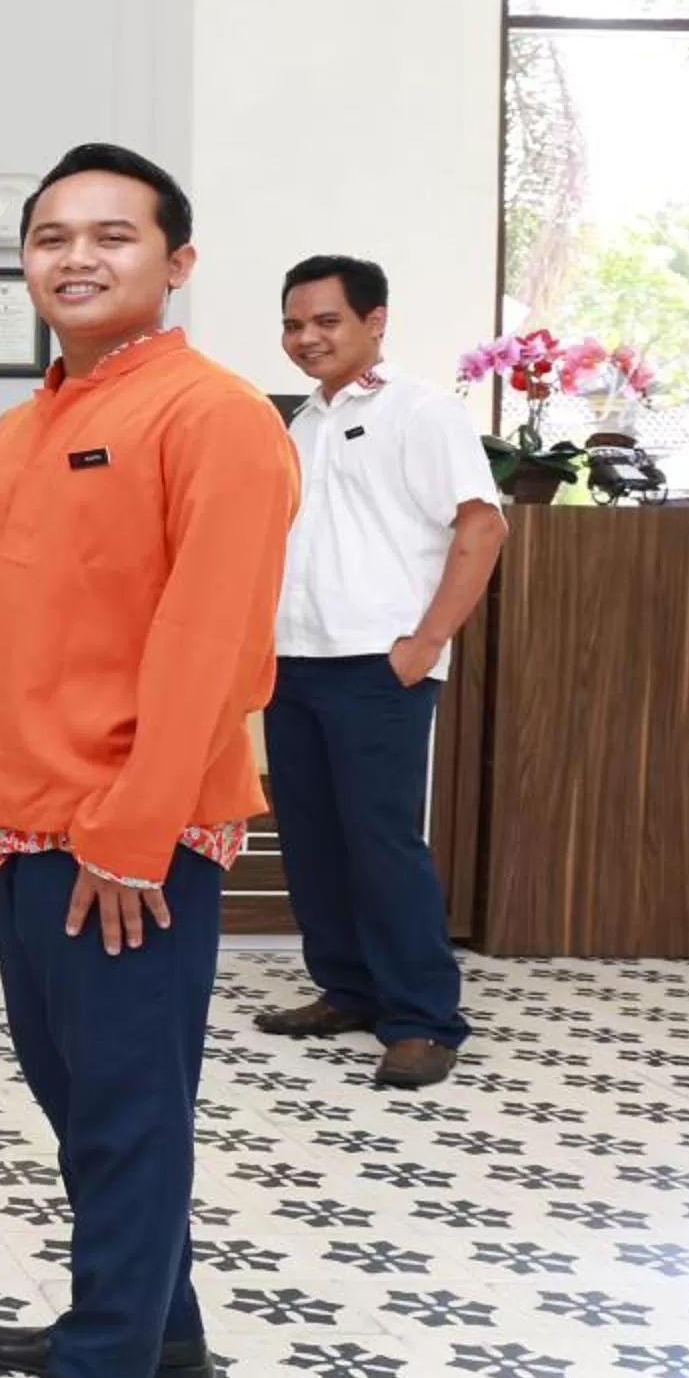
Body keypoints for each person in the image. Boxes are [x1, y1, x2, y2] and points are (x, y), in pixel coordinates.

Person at [0, 143, 298, 1378]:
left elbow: (212, 645)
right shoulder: (18, 429)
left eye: (114, 234)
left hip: (132, 837)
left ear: (176, 261)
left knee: (121, 1099)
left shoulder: (214, 415)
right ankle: (159, 1323)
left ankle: (105, 1374)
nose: (76, 256)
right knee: (83, 1088)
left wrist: (132, 826)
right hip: (22, 821)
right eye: (53, 235)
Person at [257, 254, 503, 1088]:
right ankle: (348, 989)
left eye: (326, 321)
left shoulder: (423, 410)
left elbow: (481, 528)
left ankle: (423, 1020)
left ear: (375, 320)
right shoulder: (301, 423)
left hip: (379, 664)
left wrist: (426, 642)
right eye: (294, 324)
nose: (307, 338)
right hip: (295, 659)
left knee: (381, 842)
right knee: (313, 838)